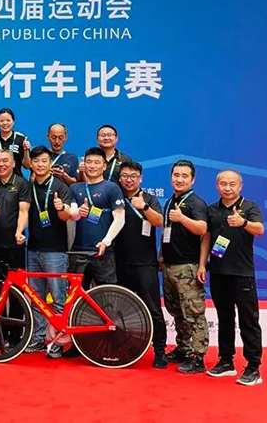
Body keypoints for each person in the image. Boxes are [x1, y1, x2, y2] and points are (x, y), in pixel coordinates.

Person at [200, 170, 265, 386]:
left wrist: (243, 222)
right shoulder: (212, 209)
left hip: (242, 273)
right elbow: (207, 237)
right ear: (217, 185)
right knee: (225, 318)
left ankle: (253, 367)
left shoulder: (250, 207)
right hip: (219, 273)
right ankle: (226, 361)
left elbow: (260, 230)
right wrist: (202, 264)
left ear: (240, 186)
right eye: (223, 184)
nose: (227, 188)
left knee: (248, 320)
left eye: (232, 184)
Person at [115, 161, 168, 368]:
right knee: (122, 311)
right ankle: (125, 349)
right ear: (119, 178)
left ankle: (160, 351)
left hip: (145, 263)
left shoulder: (149, 198)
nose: (129, 180)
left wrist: (144, 207)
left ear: (140, 178)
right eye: (125, 176)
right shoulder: (115, 196)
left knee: (153, 309)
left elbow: (159, 221)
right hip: (120, 262)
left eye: (133, 176)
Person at [24, 146, 76, 356]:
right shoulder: (28, 187)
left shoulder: (60, 186)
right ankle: (37, 339)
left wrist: (60, 207)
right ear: (31, 164)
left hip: (55, 251)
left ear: (50, 163)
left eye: (44, 161)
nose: (40, 165)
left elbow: (66, 216)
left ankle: (58, 341)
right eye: (36, 161)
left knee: (58, 298)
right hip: (33, 249)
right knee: (36, 298)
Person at [161, 159, 209, 374]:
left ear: (192, 180)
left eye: (184, 176)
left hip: (187, 267)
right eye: (176, 175)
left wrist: (182, 218)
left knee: (194, 313)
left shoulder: (196, 203)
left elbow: (202, 229)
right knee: (177, 311)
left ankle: (198, 357)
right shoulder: (171, 200)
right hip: (169, 265)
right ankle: (183, 348)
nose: (179, 179)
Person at [0, 149, 31, 349]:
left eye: (5, 161)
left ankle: (16, 335)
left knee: (17, 293)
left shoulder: (22, 183)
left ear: (13, 163)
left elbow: (23, 211)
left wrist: (19, 232)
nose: (1, 164)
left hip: (15, 246)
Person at [68, 148, 125, 287]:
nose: (92, 166)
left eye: (97, 162)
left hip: (102, 251)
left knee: (106, 295)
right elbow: (72, 214)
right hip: (78, 251)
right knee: (76, 294)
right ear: (84, 164)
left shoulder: (112, 188)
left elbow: (119, 219)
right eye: (89, 162)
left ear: (104, 166)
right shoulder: (74, 188)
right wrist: (78, 213)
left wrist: (106, 242)